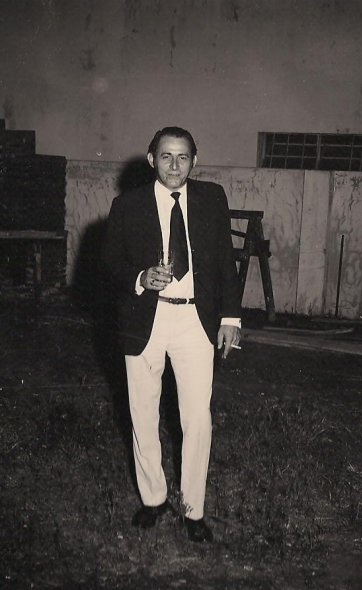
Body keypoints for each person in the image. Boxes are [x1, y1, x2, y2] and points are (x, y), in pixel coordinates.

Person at [103, 126, 241, 543]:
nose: (175, 166)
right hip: (146, 318)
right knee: (142, 413)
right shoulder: (127, 205)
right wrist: (142, 277)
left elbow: (225, 260)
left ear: (195, 161)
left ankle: (193, 509)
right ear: (151, 160)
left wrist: (231, 318)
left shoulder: (212, 199)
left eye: (183, 157)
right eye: (166, 156)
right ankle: (153, 499)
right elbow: (108, 266)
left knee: (197, 417)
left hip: (195, 320)